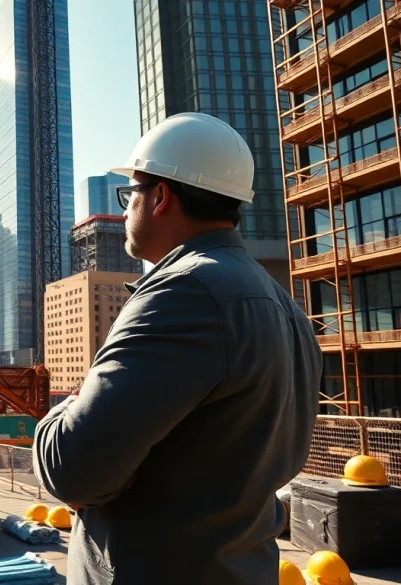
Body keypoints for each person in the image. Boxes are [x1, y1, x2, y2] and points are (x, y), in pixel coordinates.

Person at [33, 112, 322, 584]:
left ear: (161, 196)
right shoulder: (285, 308)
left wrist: (60, 414)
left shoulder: (184, 292)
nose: (127, 210)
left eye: (131, 196)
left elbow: (73, 467)